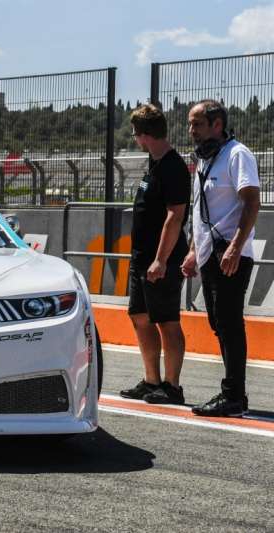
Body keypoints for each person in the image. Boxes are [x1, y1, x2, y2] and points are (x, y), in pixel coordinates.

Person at [181, 99, 260, 417]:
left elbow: (251, 203)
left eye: (197, 124)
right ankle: (234, 394)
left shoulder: (237, 154)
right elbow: (201, 212)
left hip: (229, 251)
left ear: (217, 124)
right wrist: (191, 251)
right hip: (207, 253)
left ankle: (234, 396)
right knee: (218, 321)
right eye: (190, 124)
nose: (191, 131)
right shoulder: (204, 159)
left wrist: (235, 247)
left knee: (228, 322)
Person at [120, 104, 190, 405]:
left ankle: (173, 386)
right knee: (139, 316)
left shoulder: (173, 166)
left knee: (167, 321)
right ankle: (152, 380)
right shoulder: (154, 164)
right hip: (141, 257)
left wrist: (161, 259)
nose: (135, 139)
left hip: (161, 259)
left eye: (136, 134)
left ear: (146, 134)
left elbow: (175, 216)